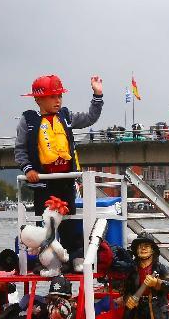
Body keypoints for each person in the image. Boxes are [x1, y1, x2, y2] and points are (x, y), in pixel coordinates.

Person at [14, 74, 103, 254]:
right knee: (45, 225)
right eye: (53, 96)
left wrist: (97, 95)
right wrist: (28, 169)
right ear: (38, 100)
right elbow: (20, 150)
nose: (58, 100)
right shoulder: (28, 121)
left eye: (59, 96)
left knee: (69, 225)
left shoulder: (66, 116)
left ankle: (72, 258)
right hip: (44, 184)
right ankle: (45, 260)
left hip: (66, 182)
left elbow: (90, 118)